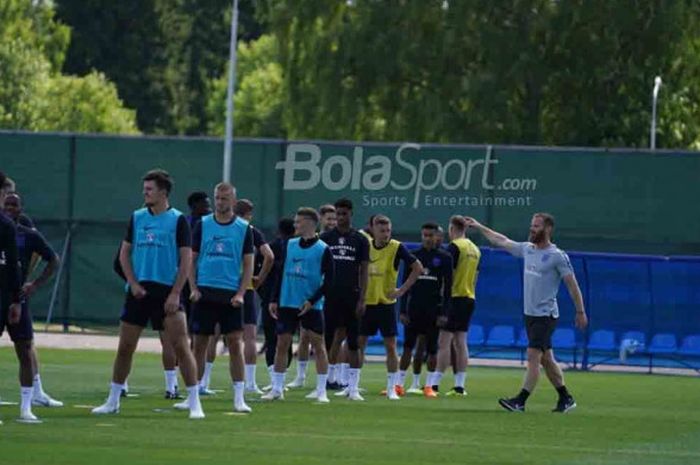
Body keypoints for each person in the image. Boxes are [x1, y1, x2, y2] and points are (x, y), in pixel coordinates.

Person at [92, 169, 204, 419]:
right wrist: (132, 282)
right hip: (139, 292)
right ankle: (112, 400)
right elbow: (124, 254)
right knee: (125, 347)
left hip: (167, 292)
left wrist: (176, 293)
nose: (145, 193)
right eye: (144, 189)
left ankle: (195, 401)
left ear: (163, 192)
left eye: (149, 189)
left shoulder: (178, 220)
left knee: (181, 346)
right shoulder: (137, 217)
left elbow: (186, 259)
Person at [465, 213, 588, 413]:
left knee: (533, 355)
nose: (532, 229)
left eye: (536, 226)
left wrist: (580, 311)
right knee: (547, 359)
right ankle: (566, 398)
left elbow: (572, 285)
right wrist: (478, 226)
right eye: (532, 225)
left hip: (546, 315)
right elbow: (501, 240)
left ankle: (520, 401)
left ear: (547, 229)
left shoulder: (557, 255)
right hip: (530, 315)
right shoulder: (528, 249)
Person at [187, 182, 253, 413]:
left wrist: (241, 293)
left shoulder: (244, 229)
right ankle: (193, 396)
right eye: (217, 198)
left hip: (230, 295)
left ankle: (239, 398)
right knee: (199, 345)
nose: (220, 202)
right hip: (205, 292)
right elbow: (191, 260)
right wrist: (193, 287)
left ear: (233, 201)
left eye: (225, 198)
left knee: (235, 343)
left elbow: (248, 265)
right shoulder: (202, 225)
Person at [263, 208, 334, 403]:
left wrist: (312, 301)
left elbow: (329, 282)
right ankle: (277, 389)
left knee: (319, 345)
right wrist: (274, 299)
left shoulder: (323, 249)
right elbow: (279, 273)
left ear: (311, 223)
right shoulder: (289, 245)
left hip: (311, 306)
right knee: (281, 344)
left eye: (299, 222)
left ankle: (321, 391)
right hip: (287, 303)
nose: (295, 225)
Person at [3, 193, 63, 415]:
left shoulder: (28, 235)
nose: (9, 207)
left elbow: (53, 259)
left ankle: (26, 406)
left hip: (17, 299)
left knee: (25, 349)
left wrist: (34, 284)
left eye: (14, 205)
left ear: (21, 209)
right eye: (6, 203)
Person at [357, 215, 423, 400]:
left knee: (391, 346)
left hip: (386, 304)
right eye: (382, 231)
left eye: (388, 231)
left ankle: (392, 387)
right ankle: (352, 385)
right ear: (373, 230)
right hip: (367, 303)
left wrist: (401, 290)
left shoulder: (396, 247)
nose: (386, 234)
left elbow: (418, 267)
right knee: (359, 344)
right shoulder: (365, 245)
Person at [318, 199, 369, 400]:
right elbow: (318, 267)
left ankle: (353, 388)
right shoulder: (325, 238)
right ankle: (324, 385)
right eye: (338, 214)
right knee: (326, 341)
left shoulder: (360, 240)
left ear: (351, 214)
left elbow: (364, 270)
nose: (340, 218)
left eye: (344, 214)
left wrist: (363, 298)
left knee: (354, 342)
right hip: (330, 297)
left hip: (352, 296)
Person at [398, 223, 452, 398]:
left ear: (437, 236)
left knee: (432, 349)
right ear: (421, 236)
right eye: (425, 235)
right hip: (414, 308)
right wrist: (402, 310)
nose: (428, 238)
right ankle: (398, 384)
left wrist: (444, 312)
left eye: (431, 235)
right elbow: (405, 284)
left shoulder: (445, 258)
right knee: (407, 347)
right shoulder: (413, 256)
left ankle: (429, 386)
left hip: (433, 309)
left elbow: (448, 287)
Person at [431, 216, 480, 396]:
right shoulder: (475, 249)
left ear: (452, 228)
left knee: (444, 342)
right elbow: (476, 276)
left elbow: (448, 274)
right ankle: (460, 385)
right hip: (469, 297)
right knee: (461, 342)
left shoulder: (455, 247)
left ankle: (434, 384)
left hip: (454, 297)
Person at [0, 174, 33, 423]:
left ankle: (28, 405)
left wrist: (15, 299)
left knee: (24, 348)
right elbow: (13, 266)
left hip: (5, 295)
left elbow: (14, 265)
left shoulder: (11, 226)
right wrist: (15, 300)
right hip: (5, 295)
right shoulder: (6, 225)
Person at [233, 199, 274, 394]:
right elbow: (269, 256)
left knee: (212, 335)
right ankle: (249, 383)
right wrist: (260, 278)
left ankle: (203, 382)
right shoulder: (251, 231)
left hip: (222, 285)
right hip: (246, 287)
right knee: (249, 336)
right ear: (249, 214)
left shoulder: (225, 227)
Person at [259, 217, 295, 390]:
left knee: (271, 338)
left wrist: (262, 292)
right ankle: (282, 376)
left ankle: (275, 377)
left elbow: (261, 272)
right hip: (290, 297)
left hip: (269, 298)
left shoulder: (270, 247)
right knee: (286, 338)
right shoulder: (296, 248)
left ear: (278, 230)